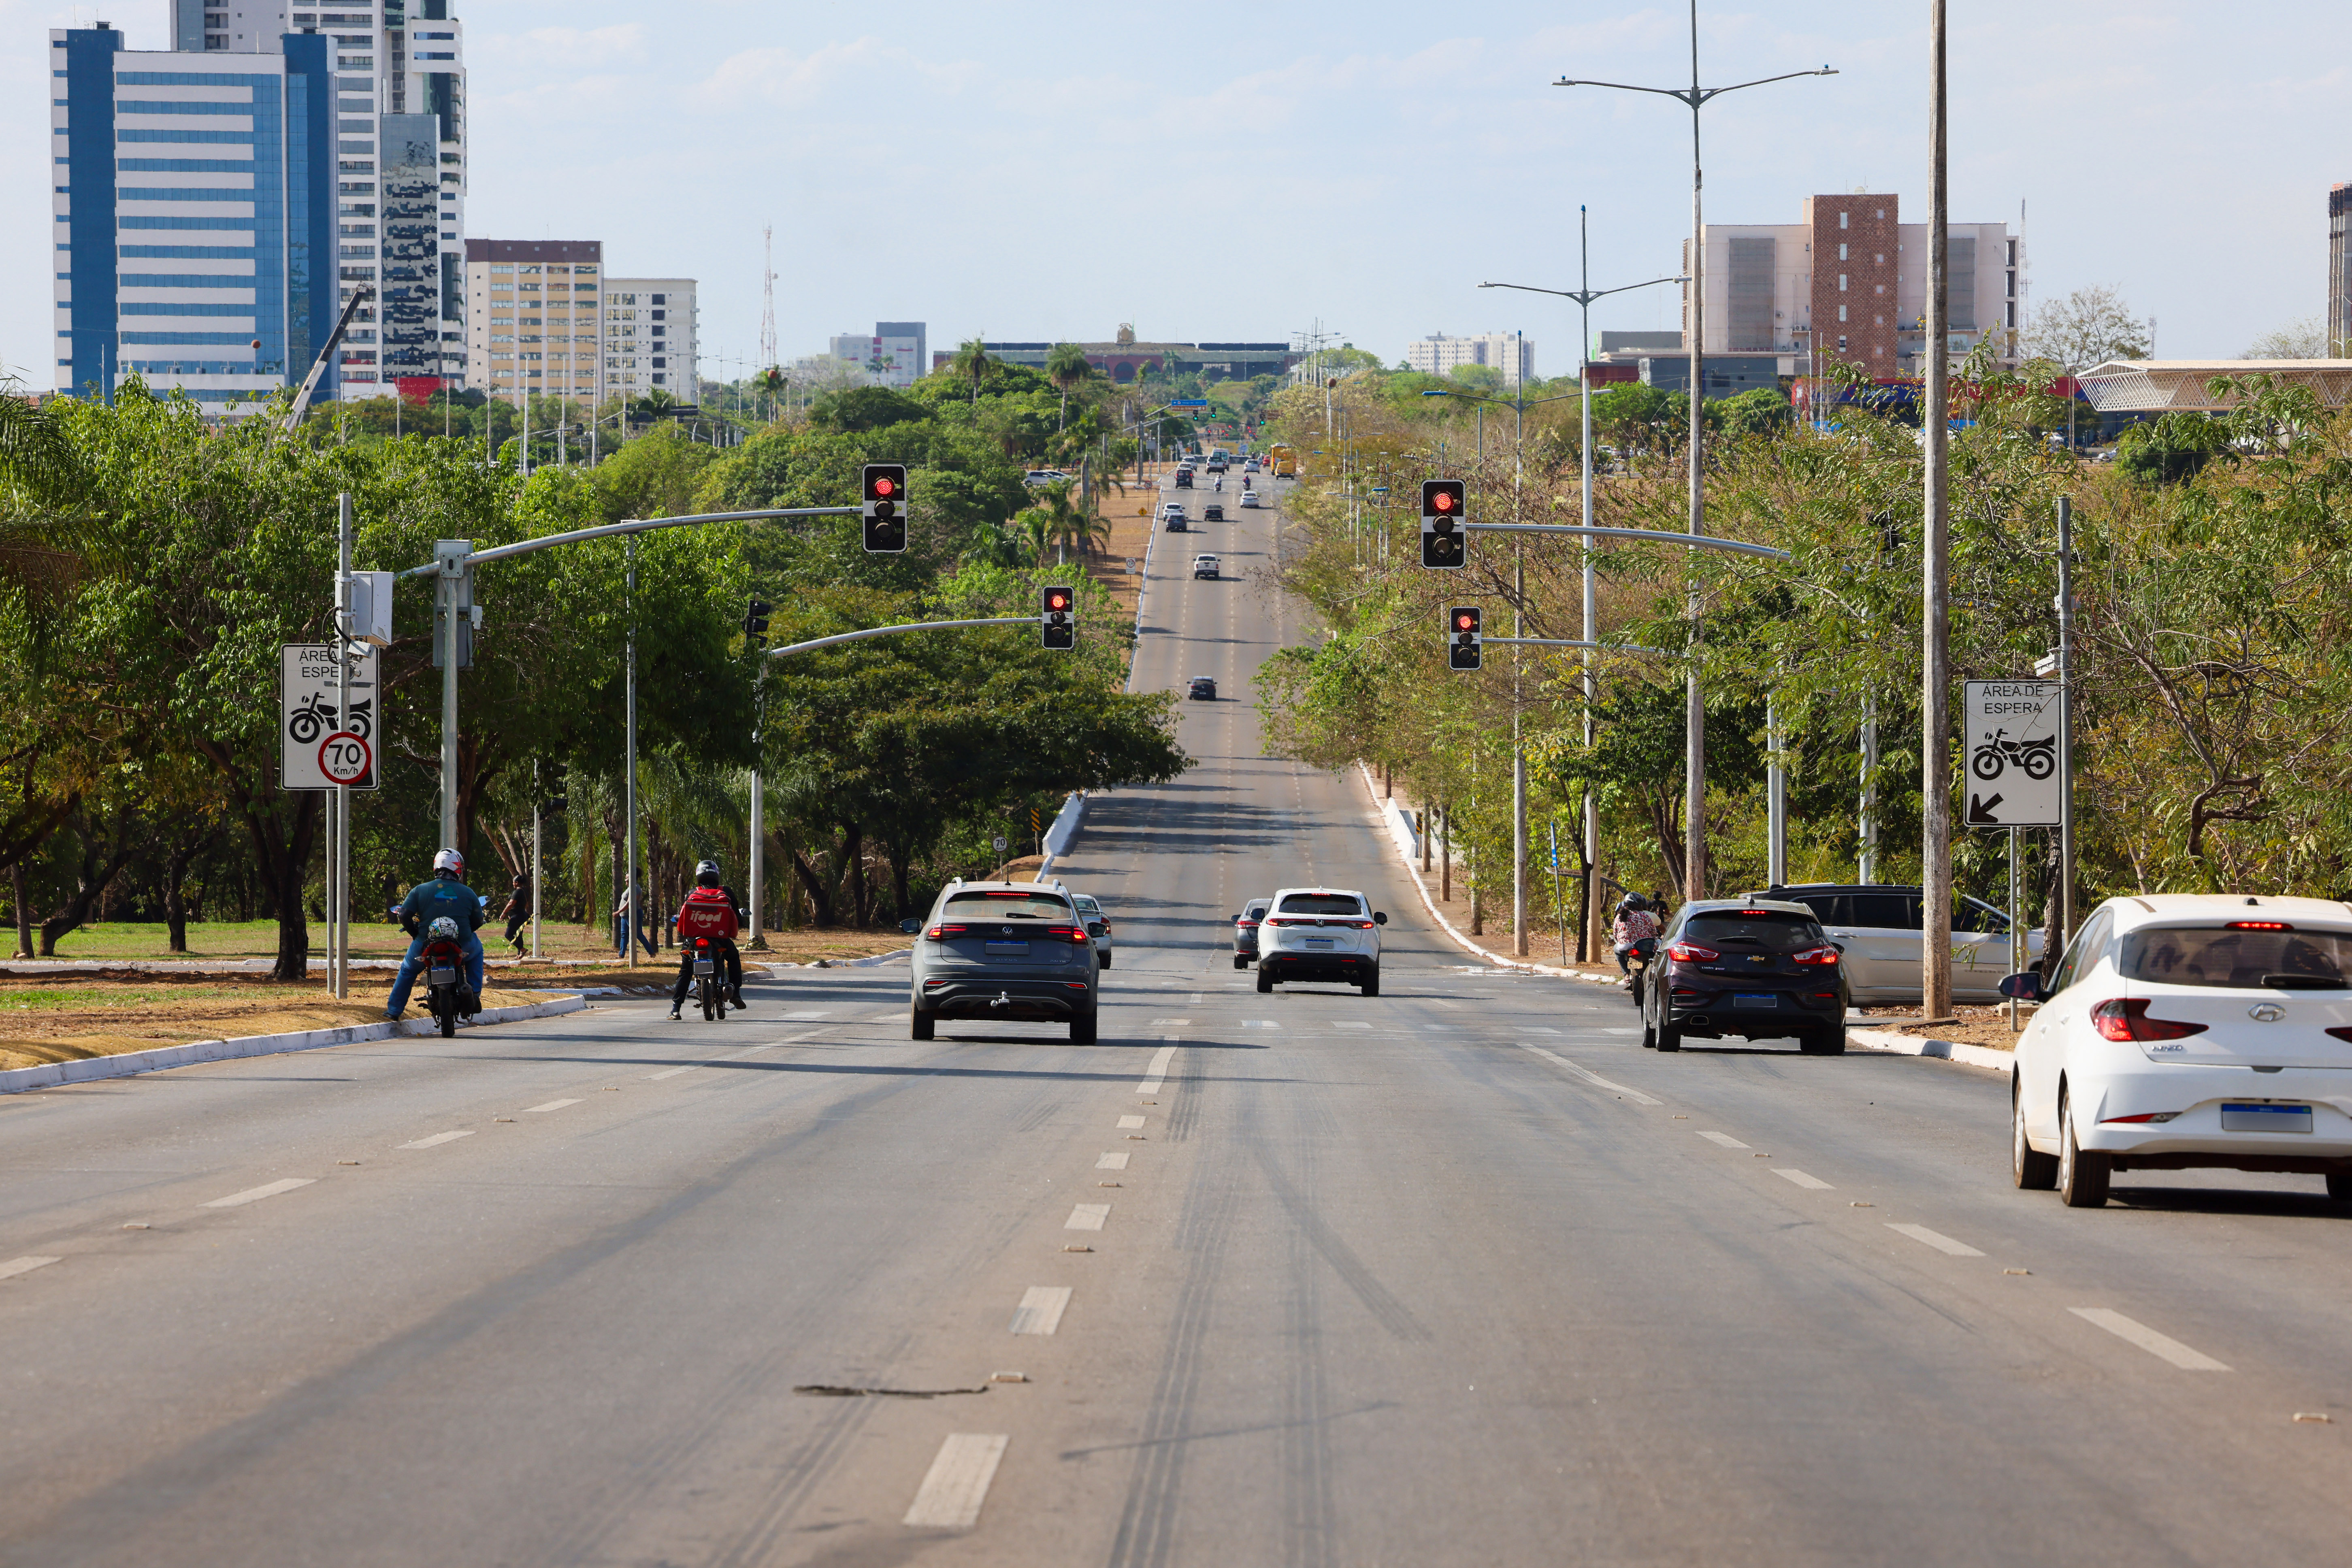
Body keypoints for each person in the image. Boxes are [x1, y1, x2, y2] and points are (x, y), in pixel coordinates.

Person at [386, 848, 488, 1020]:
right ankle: (475, 995)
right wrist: (466, 932)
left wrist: (416, 934)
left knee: (408, 970)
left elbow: (403, 915)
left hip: (425, 944)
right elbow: (478, 921)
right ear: (457, 868)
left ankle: (394, 1011)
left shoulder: (420, 890)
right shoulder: (468, 892)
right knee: (477, 952)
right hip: (462, 944)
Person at [668, 859, 749, 1019]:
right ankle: (736, 995)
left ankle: (676, 1010)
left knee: (686, 970)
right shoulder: (726, 892)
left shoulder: (692, 892)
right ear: (716, 875)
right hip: (720, 940)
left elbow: (683, 917)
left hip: (694, 941)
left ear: (698, 876)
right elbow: (736, 917)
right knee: (734, 958)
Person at [1611, 893, 1663, 981]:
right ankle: (1656, 972)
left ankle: (1626, 974)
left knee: (1616, 950)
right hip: (1644, 946)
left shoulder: (1620, 916)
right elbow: (1654, 933)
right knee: (1658, 951)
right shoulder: (1645, 916)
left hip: (1625, 946)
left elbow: (1615, 933)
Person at [501, 871, 531, 956]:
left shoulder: (518, 892)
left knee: (508, 935)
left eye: (513, 882)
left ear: (517, 883)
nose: (513, 883)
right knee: (519, 935)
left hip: (517, 916)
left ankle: (522, 949)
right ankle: (520, 954)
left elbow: (511, 903)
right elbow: (526, 904)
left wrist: (504, 913)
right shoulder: (524, 891)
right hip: (521, 915)